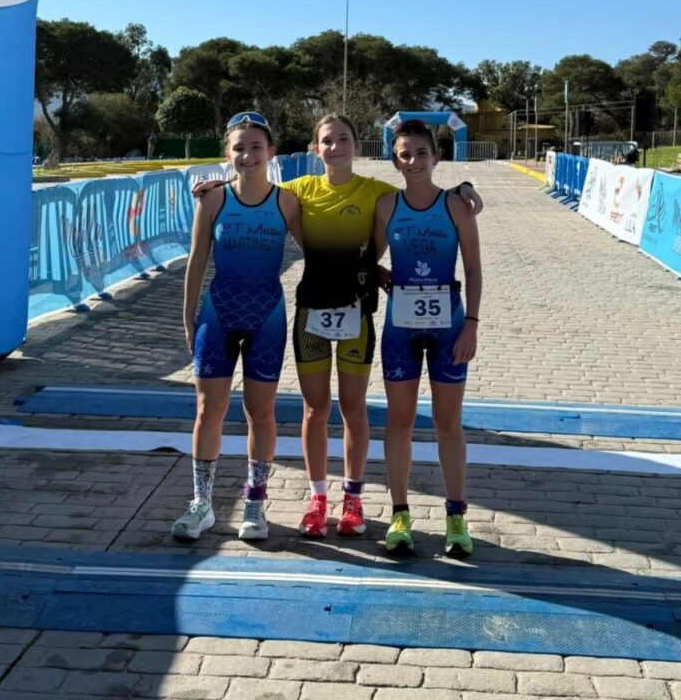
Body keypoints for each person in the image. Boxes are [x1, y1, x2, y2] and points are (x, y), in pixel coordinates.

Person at [195, 113, 482, 540]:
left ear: (357, 145)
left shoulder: (378, 194)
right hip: (311, 310)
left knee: (354, 409)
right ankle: (317, 498)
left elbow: (418, 191)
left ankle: (354, 498)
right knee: (316, 410)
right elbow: (254, 188)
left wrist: (463, 188)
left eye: (343, 139)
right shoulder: (297, 191)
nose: (335, 147)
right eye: (326, 141)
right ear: (316, 149)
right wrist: (216, 187)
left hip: (358, 313)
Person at [174, 112, 302, 542]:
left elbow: (320, 251)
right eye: (239, 148)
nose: (247, 155)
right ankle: (202, 504)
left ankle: (254, 503)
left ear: (271, 153)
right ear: (227, 154)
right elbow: (196, 261)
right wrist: (188, 316)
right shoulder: (212, 200)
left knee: (260, 413)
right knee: (208, 410)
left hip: (267, 316)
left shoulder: (287, 202)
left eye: (256, 147)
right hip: (219, 313)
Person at [374, 119, 482, 556]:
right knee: (399, 423)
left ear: (436, 158)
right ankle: (400, 514)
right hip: (400, 327)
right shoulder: (385, 206)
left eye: (422, 153)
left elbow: (473, 269)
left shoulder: (456, 206)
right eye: (405, 155)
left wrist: (472, 324)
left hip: (450, 327)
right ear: (395, 161)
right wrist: (378, 273)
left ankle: (456, 517)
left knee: (447, 425)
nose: (414, 161)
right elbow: (369, 256)